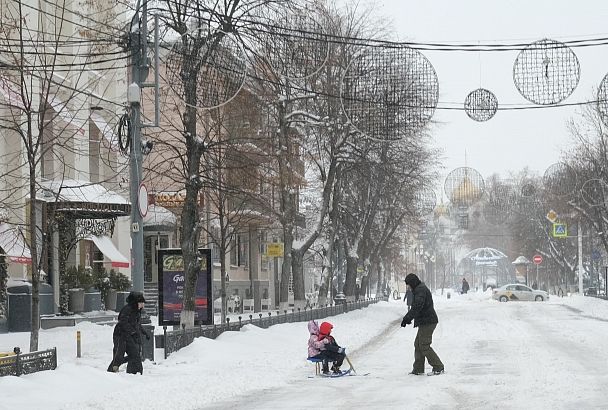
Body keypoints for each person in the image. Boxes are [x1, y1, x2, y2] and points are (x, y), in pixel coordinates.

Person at [400, 273, 444, 376]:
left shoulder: (420, 290)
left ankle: (438, 366)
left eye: (409, 284)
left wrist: (407, 318)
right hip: (426, 321)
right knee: (418, 344)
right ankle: (418, 369)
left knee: (424, 345)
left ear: (413, 283)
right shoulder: (419, 289)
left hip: (428, 321)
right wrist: (408, 318)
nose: (409, 287)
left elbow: (417, 306)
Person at [107, 291, 150, 375]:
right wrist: (132, 331)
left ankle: (134, 372)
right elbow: (123, 322)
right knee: (119, 355)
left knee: (135, 354)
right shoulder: (127, 309)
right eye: (141, 303)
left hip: (129, 335)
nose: (142, 305)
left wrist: (144, 333)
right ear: (135, 302)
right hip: (120, 335)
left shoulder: (137, 311)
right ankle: (112, 371)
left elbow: (137, 324)